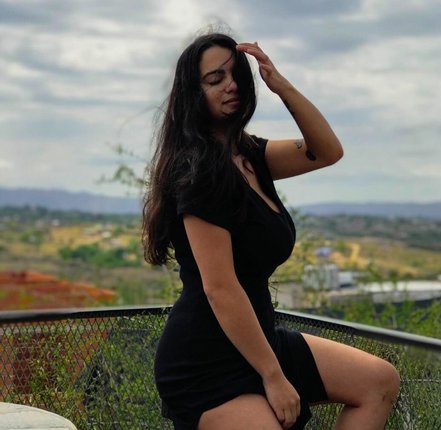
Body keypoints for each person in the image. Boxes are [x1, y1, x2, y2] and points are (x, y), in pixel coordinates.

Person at [143, 32, 400, 430]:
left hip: (259, 339)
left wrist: (280, 85)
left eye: (236, 75)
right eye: (215, 79)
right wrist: (274, 376)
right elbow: (220, 288)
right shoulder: (200, 173)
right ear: (193, 93)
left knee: (378, 382)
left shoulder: (250, 155)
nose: (231, 85)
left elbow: (328, 151)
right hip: (205, 364)